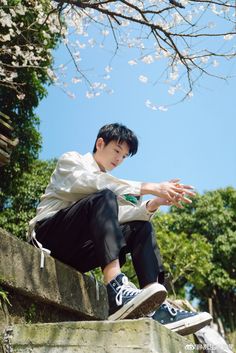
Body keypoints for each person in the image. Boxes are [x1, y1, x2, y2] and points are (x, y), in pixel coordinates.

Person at [28, 123, 212, 332]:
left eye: (124, 156)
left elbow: (117, 218)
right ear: (100, 143)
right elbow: (93, 183)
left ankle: (156, 306)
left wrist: (154, 203)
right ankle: (115, 288)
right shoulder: (72, 160)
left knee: (141, 227)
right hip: (48, 238)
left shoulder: (110, 190)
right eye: (117, 151)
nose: (119, 159)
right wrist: (148, 186)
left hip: (76, 253)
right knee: (104, 195)